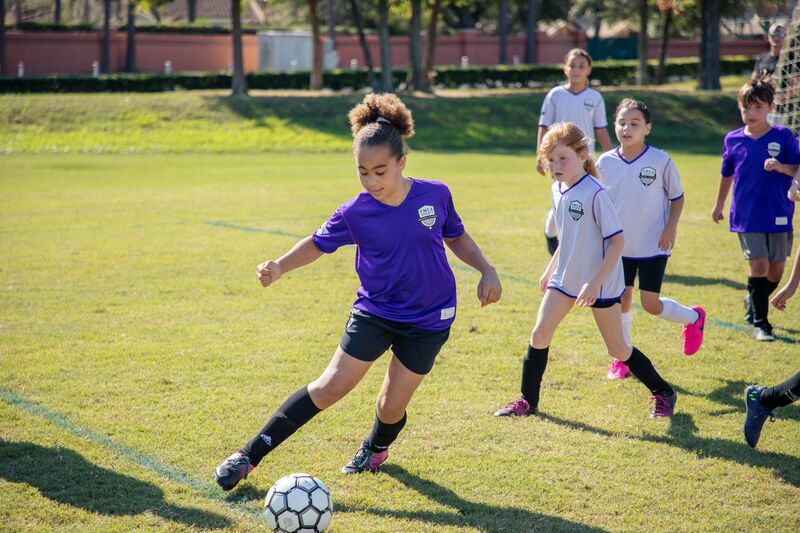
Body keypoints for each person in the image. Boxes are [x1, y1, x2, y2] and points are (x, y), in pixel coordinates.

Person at [214, 93, 502, 490]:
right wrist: (280, 265)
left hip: (429, 318)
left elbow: (457, 237)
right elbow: (316, 242)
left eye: (380, 171)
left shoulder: (435, 195)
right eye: (362, 172)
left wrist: (486, 270)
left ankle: (375, 447)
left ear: (402, 162)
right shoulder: (355, 211)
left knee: (390, 405)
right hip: (377, 311)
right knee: (331, 385)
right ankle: (248, 455)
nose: (371, 181)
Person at [494, 122, 677, 420]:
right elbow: (567, 237)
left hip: (600, 282)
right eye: (550, 160)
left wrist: (594, 283)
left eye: (562, 158)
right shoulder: (557, 188)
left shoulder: (596, 193)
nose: (555, 166)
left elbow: (618, 242)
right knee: (539, 335)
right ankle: (528, 401)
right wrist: (550, 267)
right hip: (566, 277)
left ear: (582, 155)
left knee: (617, 349)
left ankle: (663, 391)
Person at [597, 98, 706, 381]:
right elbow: (598, 202)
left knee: (650, 305)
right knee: (621, 298)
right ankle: (622, 358)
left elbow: (677, 197)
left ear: (647, 128)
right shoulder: (605, 162)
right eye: (622, 122)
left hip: (652, 246)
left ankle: (694, 318)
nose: (626, 128)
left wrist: (671, 227)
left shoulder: (660, 160)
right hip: (618, 247)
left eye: (634, 123)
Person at [712, 74, 800, 341]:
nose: (751, 113)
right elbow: (727, 174)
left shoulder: (784, 137)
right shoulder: (733, 140)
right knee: (759, 266)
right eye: (746, 108)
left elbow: (797, 168)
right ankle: (762, 324)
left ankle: (753, 299)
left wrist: (781, 168)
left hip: (779, 211)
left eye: (758, 108)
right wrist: (719, 205)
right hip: (746, 215)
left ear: (770, 108)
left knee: (776, 271)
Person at [537, 48, 613, 256]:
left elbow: (601, 129)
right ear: (564, 69)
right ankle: (551, 232)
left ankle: (588, 246)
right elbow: (544, 126)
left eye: (581, 66)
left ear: (589, 69)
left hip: (585, 158)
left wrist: (612, 156)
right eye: (572, 65)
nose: (576, 70)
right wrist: (540, 156)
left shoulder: (595, 98)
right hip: (561, 160)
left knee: (589, 197)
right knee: (563, 196)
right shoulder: (555, 95)